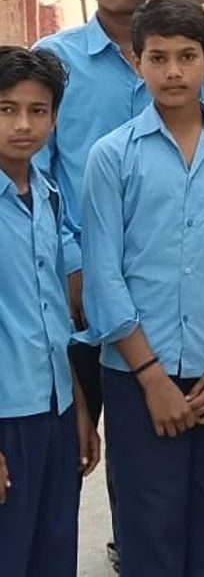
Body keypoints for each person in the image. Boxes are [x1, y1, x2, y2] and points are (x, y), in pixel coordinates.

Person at [80, 0, 204, 577]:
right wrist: (151, 378)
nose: (172, 71)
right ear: (136, 61)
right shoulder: (111, 157)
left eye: (186, 56)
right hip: (139, 375)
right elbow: (104, 276)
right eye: (158, 57)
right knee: (149, 525)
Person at [34, 0, 157, 571]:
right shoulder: (56, 61)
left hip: (159, 287)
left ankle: (135, 548)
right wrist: (74, 264)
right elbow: (36, 174)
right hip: (77, 292)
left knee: (146, 445)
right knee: (68, 442)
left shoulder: (177, 53)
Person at [0, 47, 100, 577]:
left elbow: (53, 320)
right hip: (7, 415)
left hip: (54, 410)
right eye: (6, 109)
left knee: (54, 551)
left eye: (37, 110)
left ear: (55, 118)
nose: (23, 124)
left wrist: (78, 407)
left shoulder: (47, 196)